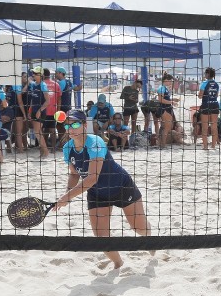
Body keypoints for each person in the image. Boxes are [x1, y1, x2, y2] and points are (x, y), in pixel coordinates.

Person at [53, 110, 152, 269]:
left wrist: (67, 197)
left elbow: (92, 178)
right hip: (98, 193)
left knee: (139, 229)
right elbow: (74, 174)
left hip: (120, 186)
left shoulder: (95, 142)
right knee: (101, 238)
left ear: (85, 125)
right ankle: (118, 262)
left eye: (76, 124)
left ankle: (152, 241)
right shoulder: (67, 148)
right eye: (68, 125)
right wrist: (66, 194)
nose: (71, 128)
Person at [22, 66, 51, 157]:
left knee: (38, 132)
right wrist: (30, 111)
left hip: (40, 111)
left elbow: (48, 101)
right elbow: (30, 98)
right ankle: (43, 152)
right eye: (33, 73)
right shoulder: (33, 84)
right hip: (34, 110)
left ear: (40, 75)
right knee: (38, 132)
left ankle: (46, 152)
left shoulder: (43, 85)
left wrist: (39, 110)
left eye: (35, 73)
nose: (33, 75)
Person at [55, 66, 82, 148]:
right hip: (68, 107)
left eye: (56, 73)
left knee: (60, 127)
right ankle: (66, 143)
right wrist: (80, 84)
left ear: (60, 73)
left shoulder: (61, 83)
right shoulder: (69, 82)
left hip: (62, 108)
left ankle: (62, 144)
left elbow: (57, 95)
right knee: (66, 127)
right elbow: (77, 88)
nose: (55, 74)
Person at [197, 67, 220, 150]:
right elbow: (216, 95)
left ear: (207, 74)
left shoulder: (204, 83)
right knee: (214, 126)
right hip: (215, 105)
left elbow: (200, 96)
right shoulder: (217, 84)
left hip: (206, 105)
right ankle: (213, 146)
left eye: (205, 73)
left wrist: (200, 94)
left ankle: (205, 147)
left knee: (205, 127)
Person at [157, 74, 179, 149]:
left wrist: (172, 100)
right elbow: (160, 100)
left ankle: (162, 143)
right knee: (166, 127)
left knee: (167, 127)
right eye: (170, 81)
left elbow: (165, 99)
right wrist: (171, 102)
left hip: (167, 108)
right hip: (164, 109)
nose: (171, 82)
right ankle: (162, 144)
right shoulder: (161, 88)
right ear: (166, 80)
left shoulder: (164, 88)